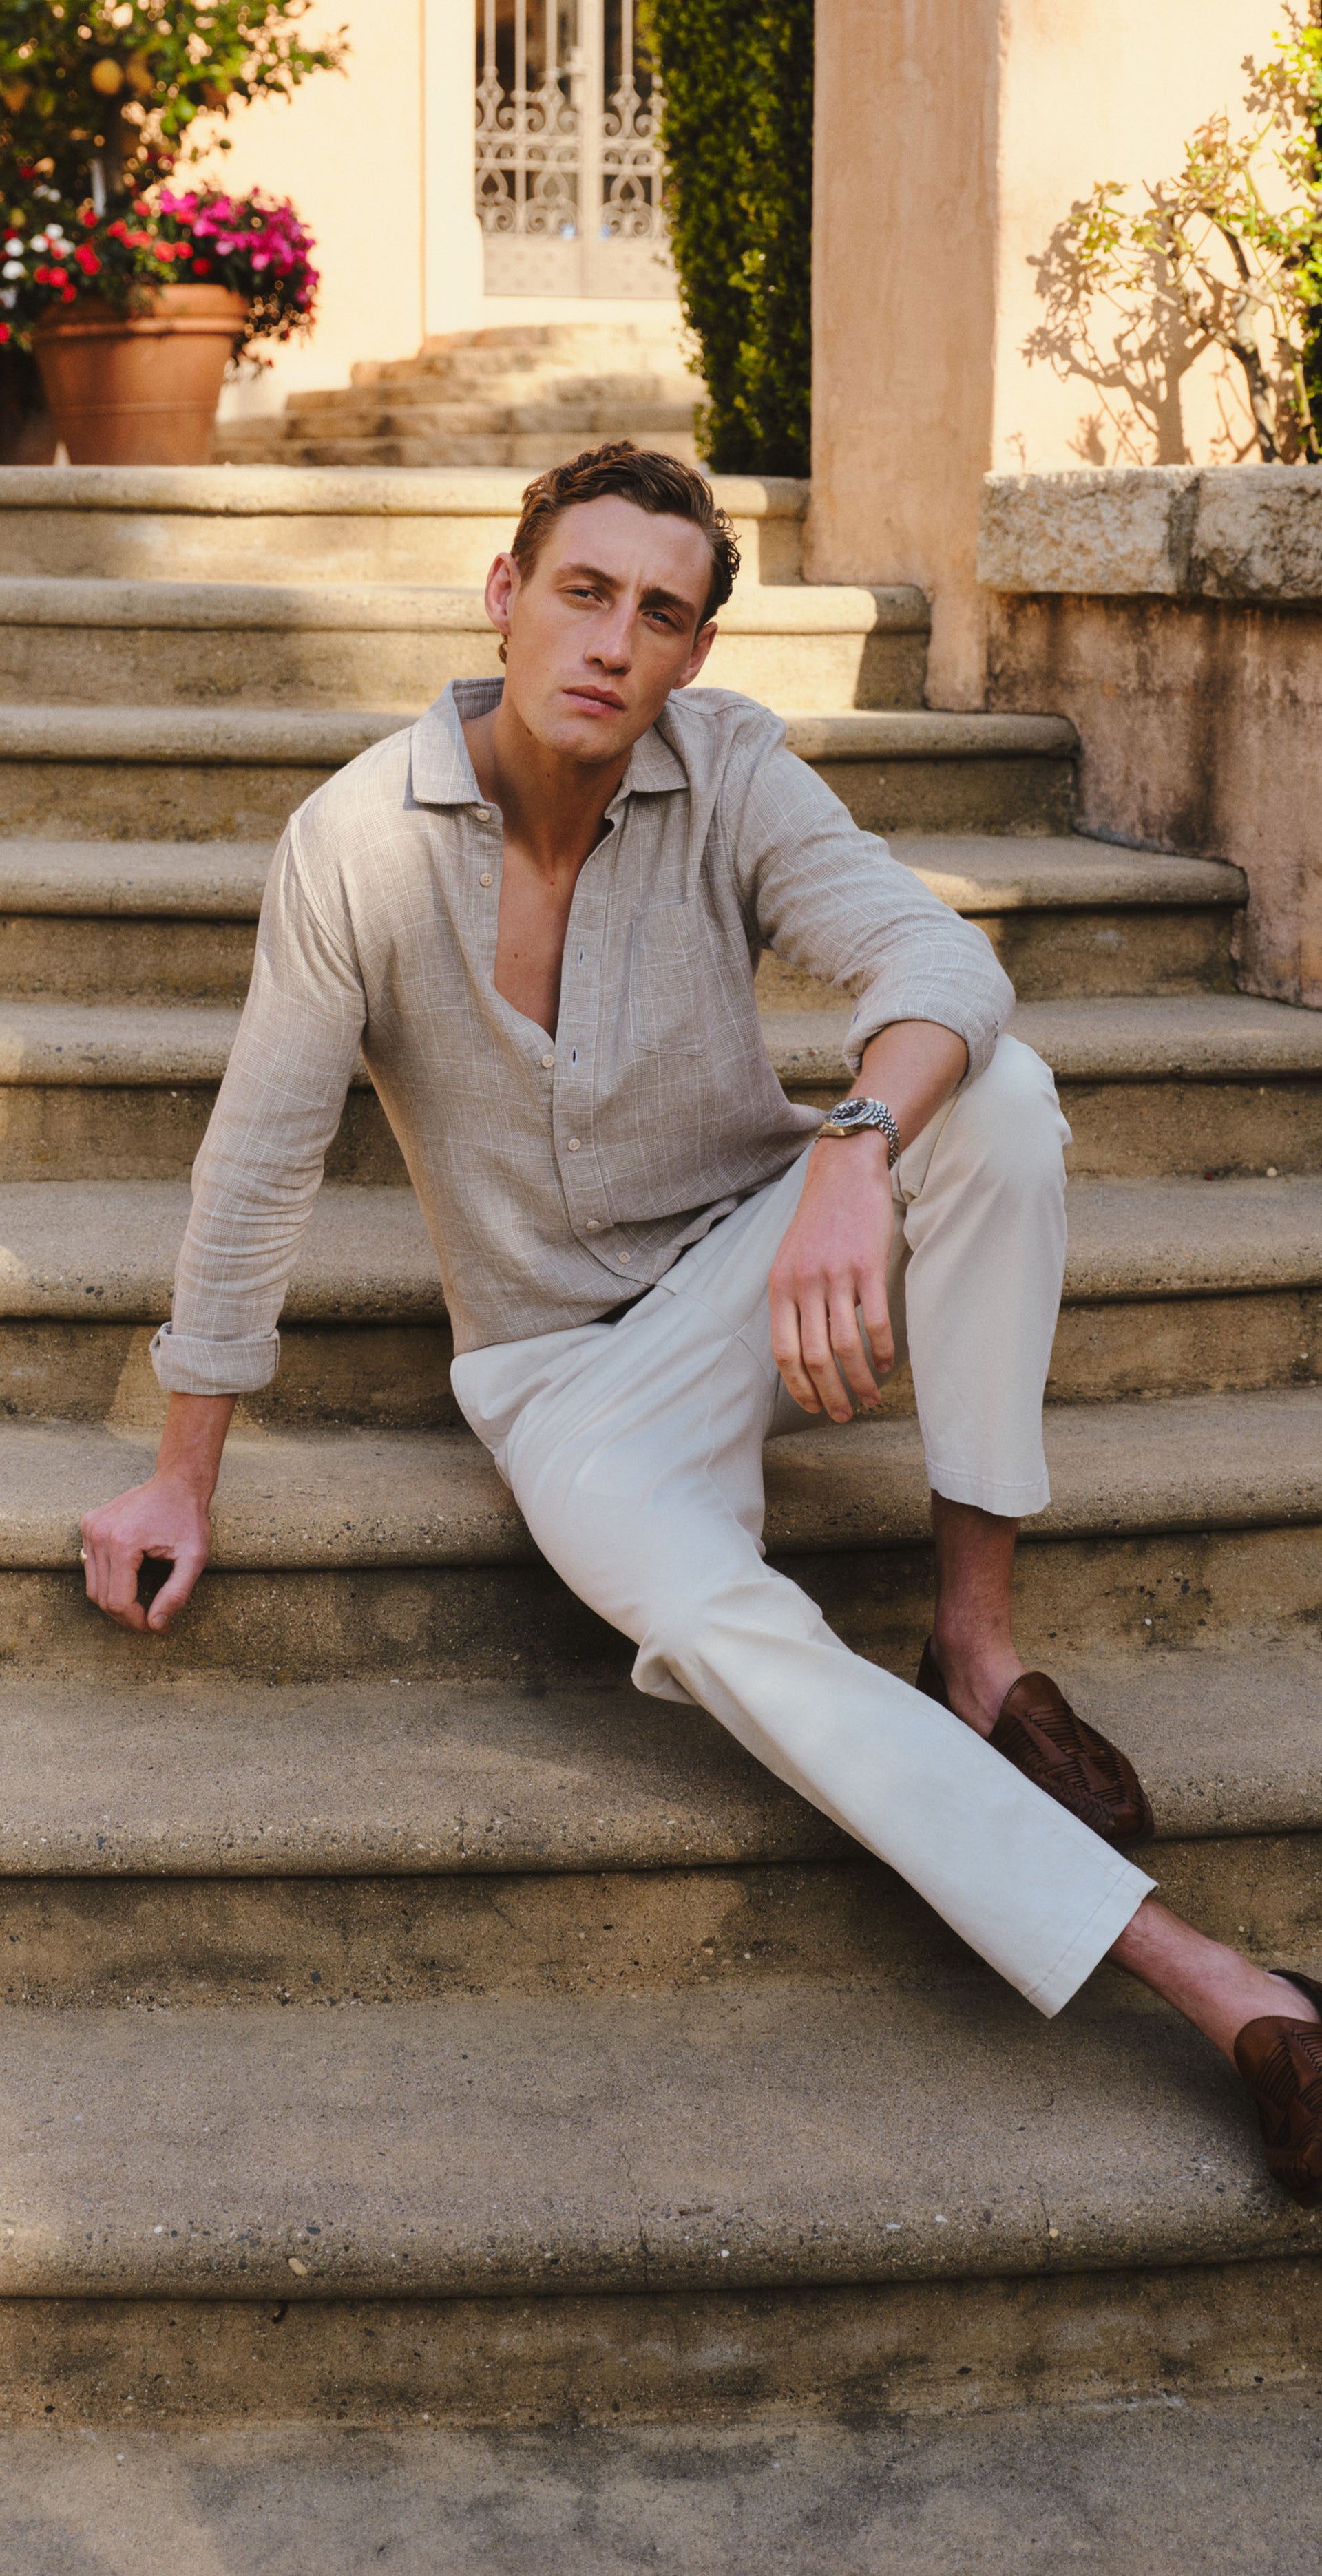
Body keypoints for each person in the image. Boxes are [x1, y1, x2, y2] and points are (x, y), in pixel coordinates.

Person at [79, 441, 1321, 2202]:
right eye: (582, 591)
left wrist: (847, 1153)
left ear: (694, 658)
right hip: (563, 1382)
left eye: (661, 614)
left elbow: (942, 963)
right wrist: (182, 1475)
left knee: (1005, 1098)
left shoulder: (726, 767)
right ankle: (1233, 1991)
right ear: (504, 597)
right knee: (722, 1626)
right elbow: (258, 1165)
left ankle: (981, 1649)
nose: (612, 640)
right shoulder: (354, 840)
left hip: (759, 1252)